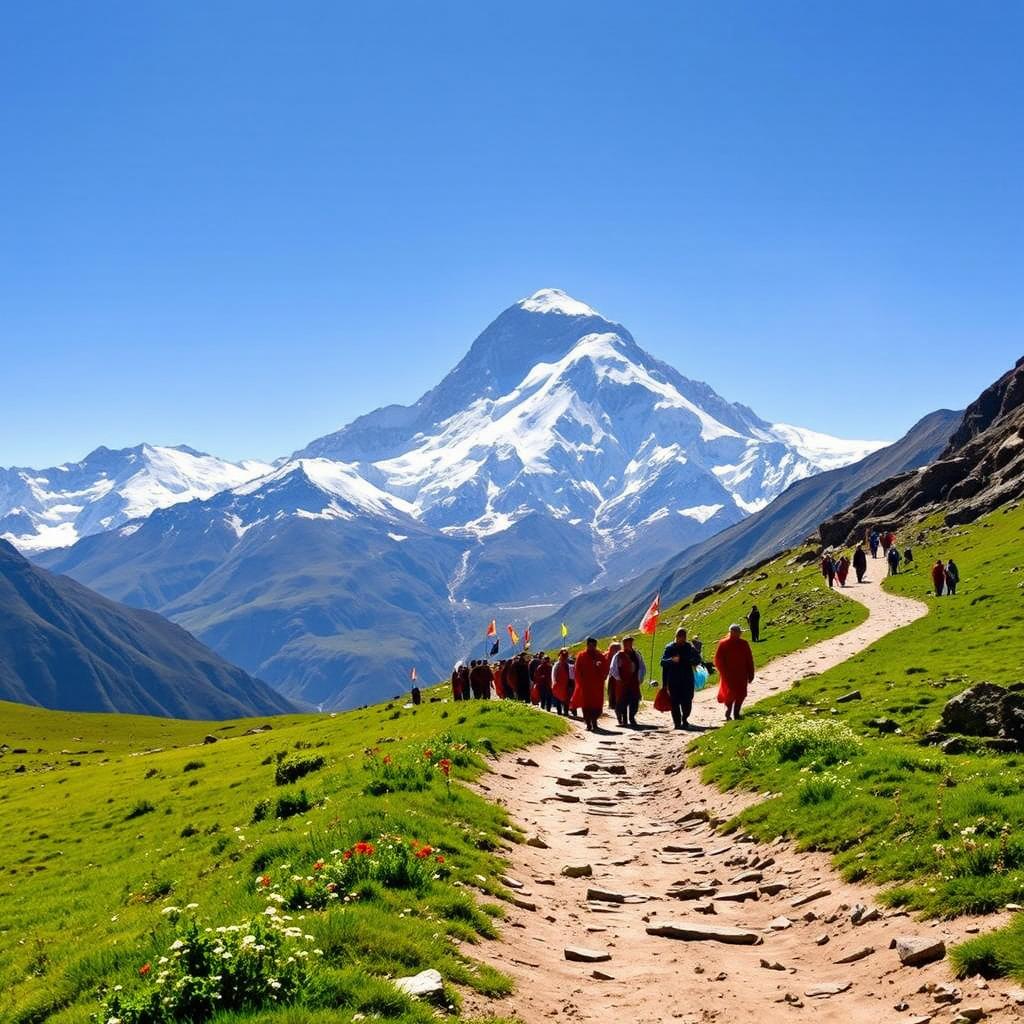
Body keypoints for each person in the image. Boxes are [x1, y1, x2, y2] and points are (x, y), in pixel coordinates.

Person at [660, 626, 702, 730]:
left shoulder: (689, 647)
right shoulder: (670, 648)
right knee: (674, 702)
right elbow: (663, 662)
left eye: (683, 637)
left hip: (687, 679)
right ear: (676, 636)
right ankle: (677, 723)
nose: (682, 639)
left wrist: (691, 661)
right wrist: (671, 660)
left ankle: (685, 719)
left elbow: (698, 659)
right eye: (680, 637)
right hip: (673, 680)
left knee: (687, 701)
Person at [714, 624, 755, 722]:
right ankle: (729, 710)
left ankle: (736, 712)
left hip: (742, 673)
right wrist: (723, 672)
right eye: (738, 632)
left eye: (740, 632)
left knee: (742, 693)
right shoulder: (723, 643)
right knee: (731, 693)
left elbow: (749, 659)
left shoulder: (744, 643)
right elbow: (718, 660)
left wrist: (751, 673)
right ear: (731, 632)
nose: (739, 634)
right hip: (729, 675)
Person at [572, 636, 608, 731]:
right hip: (585, 686)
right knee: (586, 705)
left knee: (597, 705)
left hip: (597, 686)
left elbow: (605, 669)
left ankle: (594, 722)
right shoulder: (581, 656)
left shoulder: (600, 656)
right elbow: (577, 670)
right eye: (590, 645)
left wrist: (603, 676)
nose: (592, 647)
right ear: (587, 645)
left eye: (594, 645)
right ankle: (588, 724)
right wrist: (580, 683)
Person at [609, 635, 646, 726]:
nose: (628, 644)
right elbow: (613, 668)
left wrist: (639, 678)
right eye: (626, 642)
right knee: (621, 701)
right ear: (623, 644)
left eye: (630, 642)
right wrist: (619, 679)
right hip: (622, 682)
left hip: (633, 681)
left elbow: (642, 667)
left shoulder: (636, 655)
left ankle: (632, 717)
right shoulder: (618, 655)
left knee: (634, 700)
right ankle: (623, 719)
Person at [552, 649, 571, 715]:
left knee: (566, 698)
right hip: (559, 684)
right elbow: (553, 674)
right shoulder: (557, 664)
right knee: (558, 697)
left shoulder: (567, 664)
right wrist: (554, 682)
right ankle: (560, 711)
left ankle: (565, 711)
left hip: (566, 684)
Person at [604, 640, 622, 710]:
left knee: (613, 689)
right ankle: (612, 703)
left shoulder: (607, 655)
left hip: (617, 675)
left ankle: (613, 703)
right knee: (612, 689)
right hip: (612, 675)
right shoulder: (607, 656)